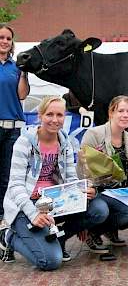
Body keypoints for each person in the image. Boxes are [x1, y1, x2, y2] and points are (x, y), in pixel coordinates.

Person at [0, 96, 109, 269]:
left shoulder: (64, 143)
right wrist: (33, 214)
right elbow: (15, 186)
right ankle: (9, 237)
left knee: (98, 209)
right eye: (49, 114)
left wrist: (82, 201)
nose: (55, 120)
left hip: (54, 201)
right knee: (50, 261)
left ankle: (57, 238)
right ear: (40, 116)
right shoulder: (24, 142)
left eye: (59, 115)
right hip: (26, 205)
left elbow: (71, 179)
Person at [77, 95, 128, 248]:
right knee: (101, 210)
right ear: (111, 113)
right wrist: (90, 188)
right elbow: (82, 170)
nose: (125, 115)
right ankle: (92, 230)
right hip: (97, 192)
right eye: (120, 111)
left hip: (121, 192)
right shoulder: (94, 134)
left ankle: (105, 229)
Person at [0, 23, 30, 222]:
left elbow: (22, 94)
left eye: (8, 39)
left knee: (7, 176)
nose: (4, 41)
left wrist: (24, 72)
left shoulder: (16, 67)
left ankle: (4, 216)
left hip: (13, 129)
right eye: (1, 37)